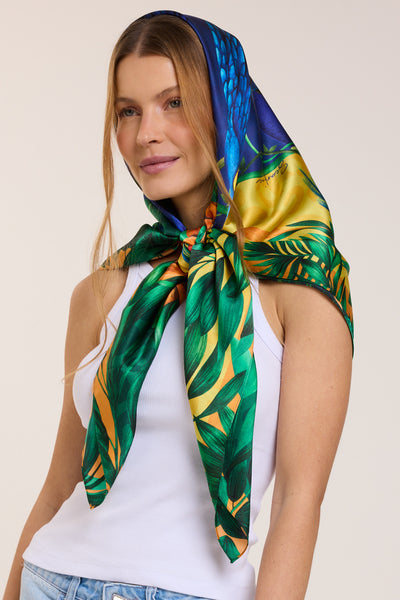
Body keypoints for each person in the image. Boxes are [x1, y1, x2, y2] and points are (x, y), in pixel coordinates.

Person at [4, 10, 353, 600]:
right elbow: (61, 482)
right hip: (51, 580)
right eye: (128, 111)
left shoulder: (301, 287)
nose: (147, 134)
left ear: (226, 109)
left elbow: (299, 501)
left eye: (174, 103)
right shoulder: (103, 290)